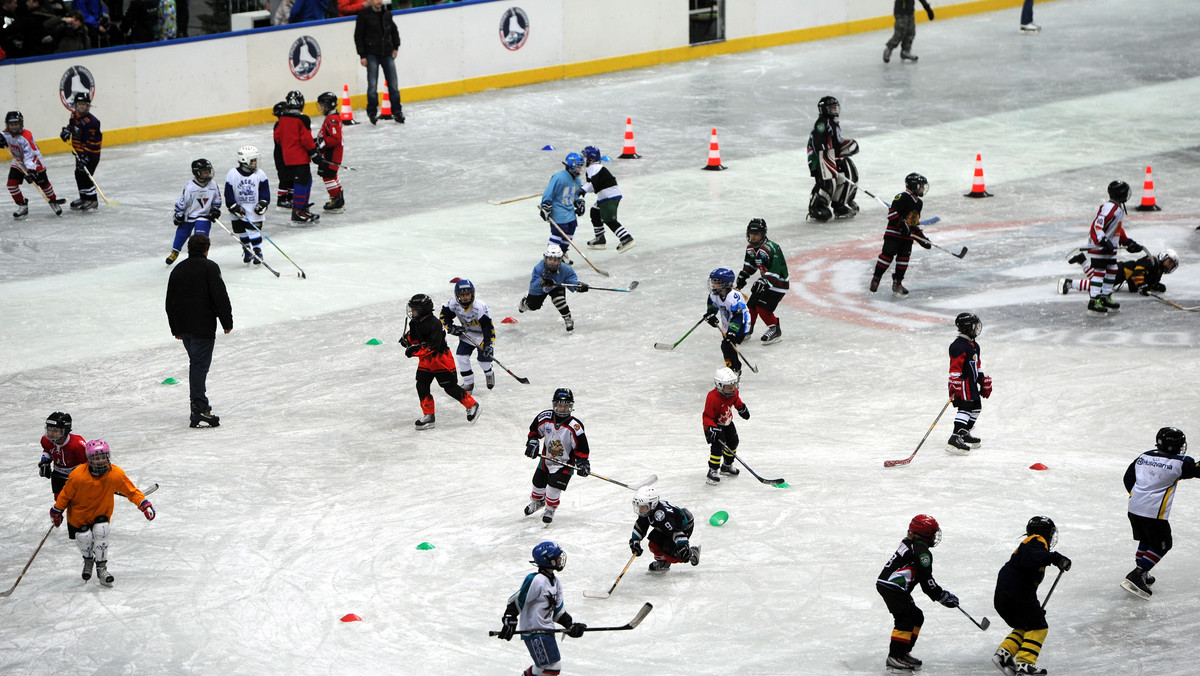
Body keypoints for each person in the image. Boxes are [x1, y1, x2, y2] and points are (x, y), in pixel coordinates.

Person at [50, 439, 155, 588]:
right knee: (84, 536)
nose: (100, 460)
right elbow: (65, 495)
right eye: (95, 457)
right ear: (88, 459)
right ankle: (88, 560)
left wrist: (144, 504)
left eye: (103, 456)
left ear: (108, 456)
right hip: (79, 515)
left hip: (101, 512)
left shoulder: (115, 474)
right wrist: (57, 510)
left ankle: (101, 568)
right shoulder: (78, 476)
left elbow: (131, 491)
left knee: (102, 530)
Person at [875, 514, 959, 673]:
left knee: (916, 616)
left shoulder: (910, 543)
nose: (935, 536)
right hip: (893, 587)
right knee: (905, 621)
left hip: (891, 586)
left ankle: (903, 652)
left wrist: (939, 594)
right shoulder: (921, 552)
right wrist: (941, 596)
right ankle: (895, 657)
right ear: (926, 534)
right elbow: (926, 581)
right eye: (933, 533)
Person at [165, 234, 233, 428]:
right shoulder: (210, 267)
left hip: (184, 327)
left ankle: (199, 407)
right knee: (199, 366)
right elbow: (220, 296)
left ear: (189, 249)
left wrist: (175, 328)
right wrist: (226, 322)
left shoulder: (178, 269)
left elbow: (169, 302)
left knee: (196, 364)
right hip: (202, 327)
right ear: (206, 249)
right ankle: (199, 408)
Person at [992, 516, 1071, 676]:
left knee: (1027, 624)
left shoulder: (1030, 544)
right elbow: (1031, 557)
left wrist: (1033, 609)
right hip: (1016, 592)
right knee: (1039, 627)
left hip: (1005, 593)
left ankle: (1004, 654)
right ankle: (1025, 663)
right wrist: (1055, 558)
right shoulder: (1036, 540)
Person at [1121, 427, 1194, 599]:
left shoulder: (1144, 456)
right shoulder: (1181, 462)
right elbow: (1195, 470)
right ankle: (1138, 573)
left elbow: (1128, 478)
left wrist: (1137, 496)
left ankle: (1143, 573)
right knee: (1163, 544)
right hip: (1153, 512)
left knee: (1147, 539)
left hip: (1134, 507)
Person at [495, 541, 587, 675]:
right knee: (552, 667)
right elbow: (516, 601)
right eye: (557, 557)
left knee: (542, 667)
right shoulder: (536, 580)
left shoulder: (556, 582)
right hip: (534, 632)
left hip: (547, 631)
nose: (561, 559)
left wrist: (570, 625)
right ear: (548, 560)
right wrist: (510, 618)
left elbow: (557, 612)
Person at [399, 293, 480, 430]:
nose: (412, 312)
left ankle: (472, 404)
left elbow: (432, 346)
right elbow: (414, 337)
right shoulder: (415, 323)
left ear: (423, 309)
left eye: (415, 309)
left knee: (450, 388)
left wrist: (414, 350)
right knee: (421, 385)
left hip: (441, 360)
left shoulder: (434, 324)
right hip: (426, 361)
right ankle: (428, 415)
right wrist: (407, 340)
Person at [522, 388, 589, 525]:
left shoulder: (574, 426)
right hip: (546, 460)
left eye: (566, 405)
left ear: (571, 406)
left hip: (564, 464)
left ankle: (550, 509)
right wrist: (533, 442)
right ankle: (538, 501)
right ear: (554, 405)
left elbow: (581, 447)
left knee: (553, 489)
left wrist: (583, 462)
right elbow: (534, 431)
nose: (563, 408)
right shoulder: (546, 417)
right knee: (537, 483)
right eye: (560, 405)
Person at [1083, 180, 1144, 315]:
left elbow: (1117, 229)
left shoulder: (1118, 209)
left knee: (1112, 269)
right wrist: (1103, 240)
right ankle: (1094, 300)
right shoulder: (1109, 208)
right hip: (1099, 246)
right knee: (1099, 271)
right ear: (1120, 194)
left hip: (1109, 247)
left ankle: (1105, 296)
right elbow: (1098, 225)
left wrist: (1127, 241)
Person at [869, 172, 932, 297]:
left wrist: (922, 239)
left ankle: (897, 282)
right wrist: (902, 226)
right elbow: (892, 214)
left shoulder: (919, 203)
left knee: (904, 260)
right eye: (921, 186)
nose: (923, 189)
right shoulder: (902, 197)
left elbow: (913, 223)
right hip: (893, 235)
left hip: (907, 238)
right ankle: (876, 278)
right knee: (887, 256)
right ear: (914, 186)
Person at [735, 218, 788, 344]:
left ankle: (775, 329)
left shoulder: (771, 248)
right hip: (766, 282)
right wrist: (743, 276)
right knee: (751, 306)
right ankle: (747, 329)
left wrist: (764, 281)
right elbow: (750, 265)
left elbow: (776, 269)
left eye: (756, 234)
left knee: (762, 307)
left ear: (763, 234)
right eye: (751, 233)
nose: (753, 236)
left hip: (778, 284)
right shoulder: (750, 248)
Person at [1, 110, 63, 218]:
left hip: (35, 162)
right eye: (11, 124)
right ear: (7, 125)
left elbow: (30, 156)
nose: (14, 127)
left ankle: (53, 200)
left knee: (43, 184)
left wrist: (31, 171)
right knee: (11, 184)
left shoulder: (26, 136)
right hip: (19, 161)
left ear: (21, 123)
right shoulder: (5, 134)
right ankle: (22, 205)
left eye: (16, 124)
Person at [806, 96, 859, 221]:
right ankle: (816, 206)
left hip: (831, 156)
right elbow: (819, 144)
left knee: (846, 174)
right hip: (820, 159)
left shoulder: (833, 122)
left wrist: (845, 148)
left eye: (835, 108)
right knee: (828, 181)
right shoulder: (822, 123)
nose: (834, 110)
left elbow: (835, 142)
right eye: (831, 108)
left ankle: (841, 203)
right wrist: (830, 155)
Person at [439, 278, 496, 392]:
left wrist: (488, 344)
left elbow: (488, 328)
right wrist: (451, 328)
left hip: (483, 336)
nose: (465, 297)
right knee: (461, 357)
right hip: (467, 334)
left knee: (483, 361)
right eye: (462, 294)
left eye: (468, 294)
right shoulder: (453, 304)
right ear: (457, 295)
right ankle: (468, 383)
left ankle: (489, 372)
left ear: (472, 294)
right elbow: (443, 316)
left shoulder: (479, 307)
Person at [273, 90, 320, 224]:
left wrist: (288, 146)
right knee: (303, 182)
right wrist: (314, 153)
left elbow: (277, 136)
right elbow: (306, 139)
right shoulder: (303, 119)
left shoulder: (282, 119)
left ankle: (302, 208)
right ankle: (298, 211)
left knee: (305, 180)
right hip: (300, 157)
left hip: (287, 157)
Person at [518, 245, 588, 333]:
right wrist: (542, 282)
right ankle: (525, 302)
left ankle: (568, 318)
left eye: (555, 260)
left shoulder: (566, 269)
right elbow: (534, 283)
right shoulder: (539, 268)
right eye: (550, 259)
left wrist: (577, 286)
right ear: (545, 258)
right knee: (533, 306)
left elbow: (570, 280)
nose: (552, 262)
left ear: (560, 259)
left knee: (559, 299)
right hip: (540, 290)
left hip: (556, 286)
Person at [946, 312, 990, 454]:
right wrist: (954, 384)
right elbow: (955, 367)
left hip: (971, 384)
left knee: (976, 408)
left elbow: (977, 365)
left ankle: (964, 432)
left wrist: (982, 380)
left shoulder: (974, 345)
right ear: (966, 327)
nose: (976, 329)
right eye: (974, 326)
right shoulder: (958, 345)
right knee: (965, 408)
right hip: (962, 384)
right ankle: (955, 438)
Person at [354, 0, 403, 124]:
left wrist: (395, 47)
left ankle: (397, 111)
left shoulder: (387, 14)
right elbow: (358, 36)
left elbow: (394, 31)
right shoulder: (363, 16)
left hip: (387, 53)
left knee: (393, 85)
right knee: (372, 85)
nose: (379, 1)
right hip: (371, 54)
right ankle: (372, 111)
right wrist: (362, 55)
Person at [630, 486, 700, 572]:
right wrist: (635, 541)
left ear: (653, 504)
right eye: (639, 506)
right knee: (653, 544)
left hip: (683, 528)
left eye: (643, 507)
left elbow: (675, 532)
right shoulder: (648, 511)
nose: (640, 510)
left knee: (671, 554)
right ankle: (663, 563)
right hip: (665, 528)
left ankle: (692, 553)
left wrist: (683, 546)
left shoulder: (662, 515)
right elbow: (641, 525)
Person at [165, 158, 222, 265]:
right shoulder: (190, 186)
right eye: (205, 171)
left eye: (209, 171)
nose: (208, 173)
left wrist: (215, 210)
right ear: (197, 172)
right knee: (181, 234)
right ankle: (175, 252)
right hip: (188, 216)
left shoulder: (213, 185)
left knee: (200, 240)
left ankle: (198, 258)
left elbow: (217, 199)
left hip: (204, 216)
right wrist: (179, 214)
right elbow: (182, 201)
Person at [580, 145, 635, 252]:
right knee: (595, 212)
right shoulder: (596, 168)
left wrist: (581, 190)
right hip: (606, 195)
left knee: (608, 218)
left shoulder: (594, 168)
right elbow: (593, 186)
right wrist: (582, 189)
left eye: (585, 156)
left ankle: (626, 238)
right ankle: (600, 238)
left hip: (609, 196)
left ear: (591, 158)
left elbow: (591, 184)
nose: (583, 159)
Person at [223, 145, 271, 265]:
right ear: (245, 160)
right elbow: (228, 192)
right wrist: (232, 205)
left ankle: (257, 251)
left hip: (254, 210)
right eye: (253, 160)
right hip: (238, 210)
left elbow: (265, 191)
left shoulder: (260, 174)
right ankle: (247, 249)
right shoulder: (232, 174)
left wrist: (263, 202)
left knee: (253, 231)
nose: (256, 162)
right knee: (241, 231)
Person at [702, 367, 750, 485]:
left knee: (733, 442)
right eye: (729, 387)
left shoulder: (733, 392)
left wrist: (741, 408)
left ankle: (727, 465)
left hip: (727, 422)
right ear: (719, 385)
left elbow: (736, 400)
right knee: (717, 448)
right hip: (715, 426)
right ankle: (713, 470)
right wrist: (711, 428)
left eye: (734, 385)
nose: (732, 389)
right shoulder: (713, 397)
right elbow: (707, 416)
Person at [1059, 249, 1177, 297]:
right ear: (1164, 256)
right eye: (1169, 261)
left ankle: (1083, 261)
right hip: (1122, 271)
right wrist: (1141, 285)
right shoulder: (1151, 261)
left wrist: (1153, 285)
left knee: (1097, 280)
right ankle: (1069, 283)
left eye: (1172, 264)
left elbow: (1148, 278)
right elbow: (1137, 273)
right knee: (1099, 287)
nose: (1169, 265)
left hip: (1123, 273)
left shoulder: (1159, 270)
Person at [704, 267, 750, 375]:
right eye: (713, 282)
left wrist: (733, 331)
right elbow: (712, 305)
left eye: (717, 282)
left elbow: (738, 316)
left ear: (726, 283)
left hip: (741, 325)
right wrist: (710, 314)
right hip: (727, 324)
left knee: (727, 346)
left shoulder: (734, 297)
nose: (713, 285)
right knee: (727, 346)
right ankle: (732, 368)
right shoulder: (714, 294)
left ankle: (735, 369)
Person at [60, 92, 102, 211]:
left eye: (84, 104)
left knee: (86, 176)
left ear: (88, 105)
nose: (82, 107)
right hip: (79, 152)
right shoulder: (74, 115)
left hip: (91, 154)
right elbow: (71, 126)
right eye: (79, 104)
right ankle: (84, 198)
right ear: (75, 105)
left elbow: (92, 141)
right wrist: (67, 131)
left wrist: (85, 156)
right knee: (78, 174)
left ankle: (92, 200)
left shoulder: (93, 122)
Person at [539, 152, 585, 259]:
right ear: (571, 165)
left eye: (580, 166)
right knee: (558, 234)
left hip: (570, 213)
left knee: (570, 232)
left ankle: (562, 253)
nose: (580, 169)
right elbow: (549, 192)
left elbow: (575, 195)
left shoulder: (577, 180)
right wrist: (546, 205)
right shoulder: (559, 177)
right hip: (558, 213)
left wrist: (578, 202)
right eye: (578, 166)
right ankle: (550, 257)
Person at [39, 411, 87, 497]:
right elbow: (47, 450)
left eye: (56, 430)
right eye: (49, 429)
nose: (51, 434)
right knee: (59, 500)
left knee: (78, 502)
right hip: (58, 475)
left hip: (76, 476)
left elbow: (87, 463)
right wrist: (45, 462)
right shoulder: (46, 440)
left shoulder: (77, 444)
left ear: (65, 431)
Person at [313, 91, 345, 212]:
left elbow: (335, 138)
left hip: (332, 154)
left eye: (322, 105)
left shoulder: (332, 120)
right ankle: (338, 196)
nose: (321, 108)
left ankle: (335, 198)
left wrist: (320, 144)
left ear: (328, 105)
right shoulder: (332, 118)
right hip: (332, 153)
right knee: (331, 175)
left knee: (328, 175)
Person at [270, 101, 293, 209]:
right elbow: (280, 139)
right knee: (284, 177)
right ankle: (282, 199)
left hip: (286, 153)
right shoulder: (279, 125)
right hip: (281, 155)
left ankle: (290, 196)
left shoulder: (284, 124)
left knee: (291, 175)